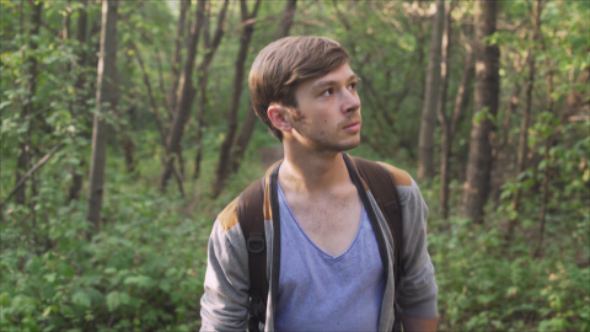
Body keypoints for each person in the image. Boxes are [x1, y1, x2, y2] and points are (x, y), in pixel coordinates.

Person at [200, 36, 438, 332]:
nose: (353, 103)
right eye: (328, 92)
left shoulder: (395, 192)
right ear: (281, 118)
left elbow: (418, 294)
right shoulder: (239, 226)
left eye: (351, 85)